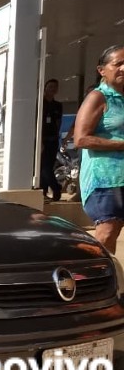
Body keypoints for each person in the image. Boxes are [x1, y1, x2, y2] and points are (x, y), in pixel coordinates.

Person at [74, 45, 124, 254]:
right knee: (107, 232)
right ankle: (91, 279)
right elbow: (81, 139)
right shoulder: (98, 97)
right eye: (118, 64)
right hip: (104, 179)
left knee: (114, 231)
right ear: (102, 70)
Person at [40, 78, 63, 201]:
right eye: (50, 87)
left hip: (52, 140)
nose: (52, 89)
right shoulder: (39, 103)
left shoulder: (57, 106)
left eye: (55, 87)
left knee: (47, 167)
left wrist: (56, 135)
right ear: (45, 89)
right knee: (43, 168)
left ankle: (49, 190)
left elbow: (58, 122)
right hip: (41, 140)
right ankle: (54, 188)